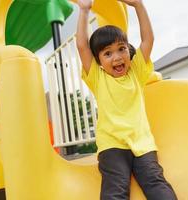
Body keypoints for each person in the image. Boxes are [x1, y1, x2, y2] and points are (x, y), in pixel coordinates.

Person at [76, 0, 178, 199]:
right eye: (108, 53)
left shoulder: (136, 72)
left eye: (121, 49)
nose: (117, 57)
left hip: (142, 144)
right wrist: (84, 10)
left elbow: (148, 39)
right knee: (115, 188)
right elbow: (82, 46)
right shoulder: (97, 78)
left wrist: (138, 5)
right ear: (99, 61)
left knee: (156, 182)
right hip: (112, 145)